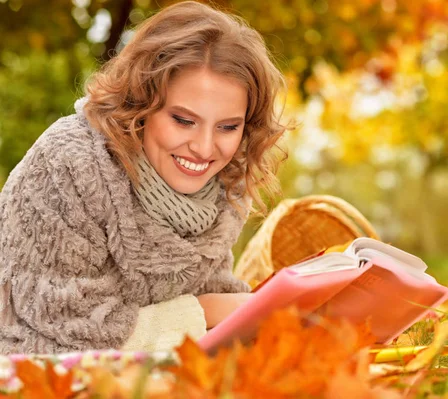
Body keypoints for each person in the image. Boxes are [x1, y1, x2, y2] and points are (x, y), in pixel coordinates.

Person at [0, 1, 287, 354]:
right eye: (183, 120)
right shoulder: (71, 164)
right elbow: (59, 325)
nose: (204, 147)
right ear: (142, 104)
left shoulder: (223, 185)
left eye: (228, 127)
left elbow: (214, 290)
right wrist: (203, 311)